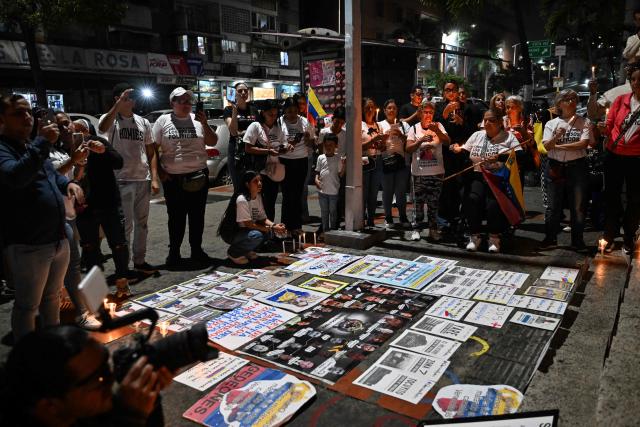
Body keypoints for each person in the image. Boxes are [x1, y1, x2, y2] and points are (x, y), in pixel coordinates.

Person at [0, 94, 84, 339]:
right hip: (29, 242)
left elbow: (50, 175)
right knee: (28, 305)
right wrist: (41, 143)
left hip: (56, 237)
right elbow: (16, 176)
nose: (27, 117)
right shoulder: (5, 148)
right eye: (18, 113)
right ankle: (27, 357)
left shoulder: (30, 145)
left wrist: (65, 185)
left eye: (28, 112)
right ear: (2, 119)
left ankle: (52, 345)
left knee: (52, 298)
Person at [0, 325, 173, 427]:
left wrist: (150, 393)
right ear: (50, 407)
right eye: (99, 379)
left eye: (107, 365)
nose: (111, 379)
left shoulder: (87, 410)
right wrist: (131, 417)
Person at [98, 83, 159, 274]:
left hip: (142, 178)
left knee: (142, 224)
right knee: (125, 226)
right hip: (121, 179)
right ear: (117, 98)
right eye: (126, 97)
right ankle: (123, 267)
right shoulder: (111, 119)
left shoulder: (143, 122)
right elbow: (101, 127)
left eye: (133, 97)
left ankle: (139, 261)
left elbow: (151, 151)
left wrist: (154, 177)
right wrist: (117, 105)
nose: (131, 101)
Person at [153, 87, 217, 266]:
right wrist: (159, 172)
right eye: (181, 101)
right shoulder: (163, 120)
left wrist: (204, 123)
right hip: (173, 178)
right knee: (176, 217)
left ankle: (196, 250)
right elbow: (152, 148)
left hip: (198, 175)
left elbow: (213, 141)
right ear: (172, 103)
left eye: (188, 101)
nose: (186, 104)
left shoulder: (198, 121)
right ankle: (174, 253)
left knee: (197, 216)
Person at [73, 120, 132, 298]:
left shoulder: (97, 142)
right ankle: (97, 294)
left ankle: (122, 285)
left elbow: (119, 162)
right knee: (90, 249)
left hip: (108, 202)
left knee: (119, 244)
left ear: (86, 131)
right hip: (84, 207)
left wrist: (103, 150)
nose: (74, 133)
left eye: (78, 130)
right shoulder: (64, 148)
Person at [451, 109, 522, 253]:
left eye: (492, 120)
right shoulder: (477, 135)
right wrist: (457, 149)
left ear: (500, 123)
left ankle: (494, 237)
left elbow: (520, 155)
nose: (487, 123)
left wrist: (499, 157)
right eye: (485, 120)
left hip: (497, 177)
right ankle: (474, 236)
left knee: (493, 204)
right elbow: (465, 151)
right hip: (477, 175)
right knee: (472, 199)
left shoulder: (509, 137)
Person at [539, 89, 593, 252]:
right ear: (559, 103)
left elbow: (583, 144)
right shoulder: (551, 123)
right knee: (553, 206)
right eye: (567, 99)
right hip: (555, 166)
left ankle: (577, 240)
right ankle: (550, 238)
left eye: (574, 99)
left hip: (577, 166)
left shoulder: (584, 122)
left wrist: (558, 145)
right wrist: (556, 137)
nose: (571, 102)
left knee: (578, 206)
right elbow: (546, 146)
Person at [599, 63, 640, 254]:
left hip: (636, 159)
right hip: (614, 156)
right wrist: (601, 128)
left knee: (634, 199)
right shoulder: (620, 100)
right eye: (633, 79)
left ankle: (629, 237)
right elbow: (609, 126)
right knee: (611, 196)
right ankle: (609, 235)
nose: (636, 83)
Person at [435, 80, 474, 239]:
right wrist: (444, 115)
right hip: (445, 155)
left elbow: (473, 132)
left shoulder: (467, 108)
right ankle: (444, 223)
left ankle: (461, 221)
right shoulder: (439, 108)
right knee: (446, 189)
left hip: (462, 154)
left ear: (458, 92)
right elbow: (434, 126)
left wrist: (462, 122)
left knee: (463, 189)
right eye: (447, 90)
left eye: (453, 90)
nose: (450, 93)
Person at [221, 170, 287, 265]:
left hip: (245, 230)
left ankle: (245, 250)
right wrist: (271, 228)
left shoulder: (258, 196)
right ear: (247, 184)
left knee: (267, 233)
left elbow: (262, 218)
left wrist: (274, 225)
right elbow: (248, 224)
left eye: (260, 180)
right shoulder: (242, 200)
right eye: (255, 181)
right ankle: (234, 252)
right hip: (232, 232)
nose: (259, 183)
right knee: (257, 235)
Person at [406, 100, 450, 240]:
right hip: (419, 173)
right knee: (418, 203)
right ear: (420, 114)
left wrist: (437, 130)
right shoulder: (413, 129)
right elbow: (408, 149)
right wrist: (420, 141)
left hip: (436, 172)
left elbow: (447, 141)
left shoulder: (439, 126)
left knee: (433, 203)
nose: (428, 115)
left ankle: (433, 229)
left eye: (431, 112)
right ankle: (416, 229)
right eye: (425, 112)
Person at [243, 99, 289, 223]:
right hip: (259, 172)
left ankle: (269, 232)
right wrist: (268, 151)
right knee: (259, 204)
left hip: (273, 172)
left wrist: (286, 148)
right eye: (270, 114)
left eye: (275, 115)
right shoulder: (255, 126)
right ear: (263, 113)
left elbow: (282, 146)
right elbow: (247, 148)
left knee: (270, 204)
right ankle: (259, 232)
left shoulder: (277, 127)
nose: (273, 117)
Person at [278, 97, 315, 234]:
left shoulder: (304, 122)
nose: (292, 114)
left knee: (298, 193)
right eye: (289, 111)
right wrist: (284, 146)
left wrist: (308, 140)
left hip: (301, 161)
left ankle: (297, 226)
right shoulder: (279, 121)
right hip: (285, 161)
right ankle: (286, 226)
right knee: (287, 195)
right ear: (285, 111)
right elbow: (275, 141)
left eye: (294, 111)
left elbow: (312, 144)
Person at [378, 99, 411, 228]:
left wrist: (401, 135)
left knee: (401, 191)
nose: (392, 110)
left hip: (401, 162)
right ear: (385, 111)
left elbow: (410, 141)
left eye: (394, 108)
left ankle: (403, 216)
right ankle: (388, 217)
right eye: (389, 108)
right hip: (386, 161)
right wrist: (383, 138)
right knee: (387, 191)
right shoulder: (380, 125)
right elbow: (378, 146)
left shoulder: (404, 125)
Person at [224, 82, 256, 192]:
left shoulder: (253, 109)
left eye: (245, 91)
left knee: (253, 186)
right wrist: (234, 110)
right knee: (239, 187)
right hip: (236, 150)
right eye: (240, 91)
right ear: (234, 94)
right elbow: (233, 132)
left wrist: (243, 132)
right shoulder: (228, 110)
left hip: (252, 149)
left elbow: (258, 130)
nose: (243, 93)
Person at [318, 106, 348, 223]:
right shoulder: (324, 132)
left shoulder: (345, 134)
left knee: (339, 196)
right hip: (326, 168)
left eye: (341, 122)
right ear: (332, 119)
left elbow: (346, 152)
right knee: (325, 196)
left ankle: (337, 220)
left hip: (340, 169)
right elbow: (320, 151)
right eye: (337, 121)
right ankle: (325, 223)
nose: (338, 125)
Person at [361, 97, 385, 227]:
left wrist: (382, 144)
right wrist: (373, 140)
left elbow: (382, 147)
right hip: (365, 161)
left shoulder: (378, 125)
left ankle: (371, 219)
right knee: (364, 192)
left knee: (374, 192)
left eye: (372, 107)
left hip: (378, 160)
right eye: (367, 108)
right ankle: (361, 219)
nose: (370, 110)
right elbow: (358, 146)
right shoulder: (360, 125)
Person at [315, 133, 345, 233]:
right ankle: (325, 231)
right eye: (326, 145)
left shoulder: (338, 158)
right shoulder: (320, 157)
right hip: (322, 191)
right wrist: (316, 180)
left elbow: (340, 174)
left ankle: (333, 231)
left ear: (336, 146)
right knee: (324, 212)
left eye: (331, 145)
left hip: (333, 192)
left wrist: (344, 166)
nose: (328, 147)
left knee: (333, 212)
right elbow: (317, 172)